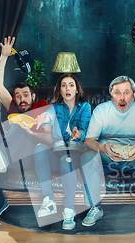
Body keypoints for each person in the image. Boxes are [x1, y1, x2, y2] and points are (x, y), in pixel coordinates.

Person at [0, 36, 50, 225]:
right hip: (11, 157)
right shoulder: (13, 107)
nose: (21, 99)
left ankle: (2, 154)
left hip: (30, 157)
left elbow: (50, 129)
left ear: (33, 96)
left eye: (25, 95)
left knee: (18, 125)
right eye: (18, 96)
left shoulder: (42, 106)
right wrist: (4, 56)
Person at [80, 76, 135, 226]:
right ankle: (95, 208)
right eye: (117, 93)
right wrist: (103, 148)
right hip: (107, 157)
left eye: (126, 92)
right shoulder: (101, 111)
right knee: (87, 157)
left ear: (134, 94)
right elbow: (89, 140)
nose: (122, 97)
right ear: (111, 94)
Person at [31, 74, 91, 230]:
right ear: (60, 90)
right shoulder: (55, 107)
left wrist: (79, 134)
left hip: (75, 152)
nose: (67, 88)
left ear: (77, 90)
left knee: (67, 160)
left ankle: (69, 209)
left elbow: (84, 128)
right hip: (57, 152)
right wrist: (42, 118)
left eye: (71, 85)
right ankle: (49, 201)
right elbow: (48, 116)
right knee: (39, 148)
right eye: (64, 85)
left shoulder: (85, 107)